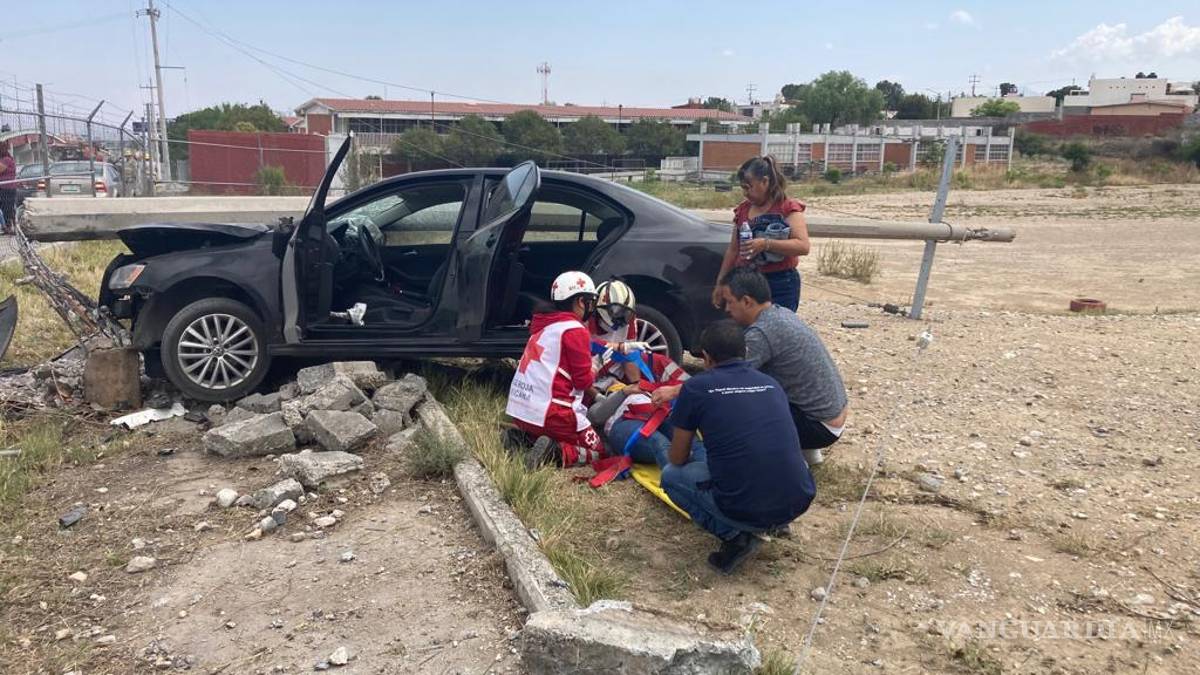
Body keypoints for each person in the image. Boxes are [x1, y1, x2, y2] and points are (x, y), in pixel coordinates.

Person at [660, 320, 815, 574]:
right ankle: (778, 523)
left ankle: (736, 536)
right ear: (744, 352)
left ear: (707, 358)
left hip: (746, 504)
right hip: (797, 498)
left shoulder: (695, 388)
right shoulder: (770, 383)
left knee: (671, 476)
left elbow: (677, 458)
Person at [506, 271, 606, 469]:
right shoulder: (575, 330)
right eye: (590, 302)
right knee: (598, 451)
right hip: (553, 414)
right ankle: (554, 452)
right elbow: (583, 382)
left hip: (521, 410)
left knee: (546, 428)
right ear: (580, 302)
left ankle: (522, 438)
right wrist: (595, 366)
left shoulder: (544, 326)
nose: (591, 309)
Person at [711, 156, 810, 312]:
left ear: (765, 182)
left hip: (780, 282)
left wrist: (765, 244)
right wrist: (721, 283)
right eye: (743, 188)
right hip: (748, 282)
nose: (745, 193)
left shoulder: (787, 208)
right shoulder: (743, 210)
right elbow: (733, 250)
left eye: (748, 187)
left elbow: (803, 246)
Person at [587, 344, 695, 468]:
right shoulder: (604, 393)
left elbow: (688, 386)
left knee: (689, 439)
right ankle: (682, 481)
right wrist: (623, 392)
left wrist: (637, 384)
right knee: (659, 444)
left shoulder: (646, 380)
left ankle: (708, 476)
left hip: (657, 412)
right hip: (623, 421)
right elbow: (595, 416)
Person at [0, 142, 17, 235]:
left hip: (7, 188)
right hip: (3, 187)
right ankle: (6, 226)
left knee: (7, 208)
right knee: (5, 208)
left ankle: (11, 227)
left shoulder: (6, 159)